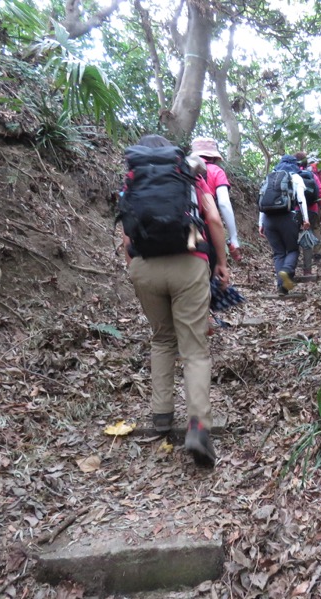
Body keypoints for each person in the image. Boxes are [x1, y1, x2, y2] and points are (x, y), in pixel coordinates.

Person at [120, 134, 229, 468]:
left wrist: (134, 268)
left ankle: (162, 416)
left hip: (144, 267)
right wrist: (221, 263)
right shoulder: (188, 173)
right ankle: (198, 426)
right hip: (189, 263)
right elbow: (211, 218)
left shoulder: (133, 180)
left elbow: (125, 233)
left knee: (162, 339)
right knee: (194, 349)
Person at [258, 154, 310, 294]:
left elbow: (262, 200)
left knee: (278, 253)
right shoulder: (295, 177)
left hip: (268, 219)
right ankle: (287, 271)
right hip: (287, 217)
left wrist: (260, 223)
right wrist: (306, 219)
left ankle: (282, 287)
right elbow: (301, 199)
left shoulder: (270, 177)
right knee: (292, 249)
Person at [190, 137, 242, 262]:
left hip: (183, 226)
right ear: (214, 156)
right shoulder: (216, 171)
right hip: (207, 227)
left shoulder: (181, 170)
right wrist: (233, 237)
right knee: (211, 269)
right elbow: (224, 203)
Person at [294, 152, 321, 273]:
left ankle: (293, 263)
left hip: (296, 210)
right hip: (313, 209)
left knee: (297, 234)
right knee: (313, 230)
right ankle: (308, 266)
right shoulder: (312, 175)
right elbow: (320, 193)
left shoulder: (292, 175)